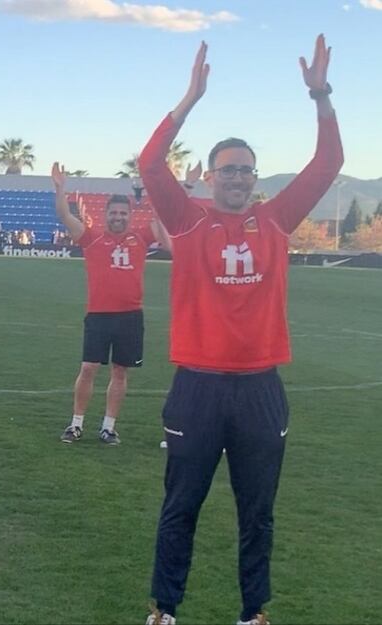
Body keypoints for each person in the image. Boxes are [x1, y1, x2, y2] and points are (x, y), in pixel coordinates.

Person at [138, 37, 342, 625]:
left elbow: (327, 165)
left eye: (246, 170)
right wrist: (188, 100)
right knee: (181, 507)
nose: (238, 178)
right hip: (197, 388)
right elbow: (150, 163)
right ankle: (164, 609)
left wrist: (321, 96)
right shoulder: (186, 217)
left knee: (259, 513)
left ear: (255, 177)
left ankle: (254, 613)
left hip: (260, 390)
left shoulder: (276, 217)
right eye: (228, 170)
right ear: (207, 175)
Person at [53, 165, 166, 446]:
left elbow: (164, 220)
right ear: (106, 215)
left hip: (130, 316)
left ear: (129, 215)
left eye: (122, 213)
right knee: (89, 368)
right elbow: (65, 215)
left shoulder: (140, 236)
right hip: (99, 316)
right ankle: (76, 424)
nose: (118, 217)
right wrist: (59, 188)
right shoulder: (92, 238)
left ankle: (108, 427)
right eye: (114, 213)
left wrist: (180, 188)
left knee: (120, 371)